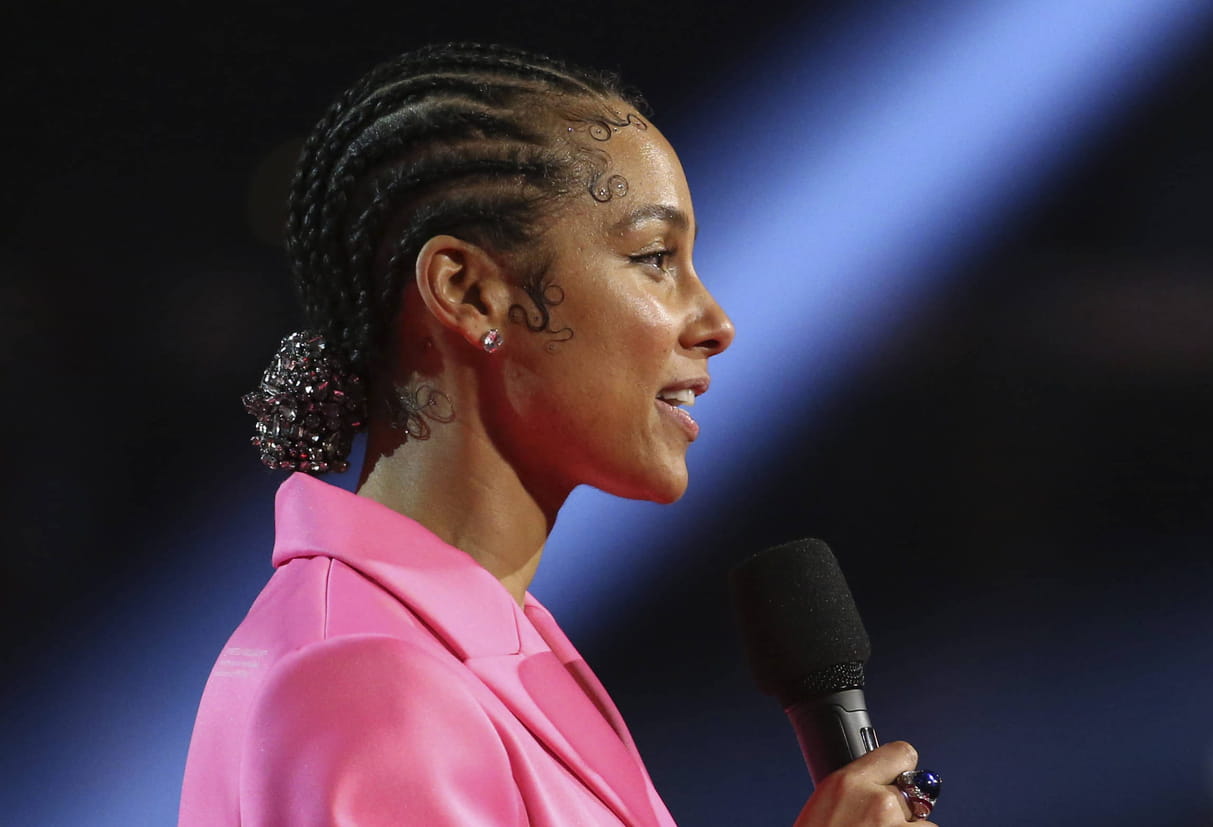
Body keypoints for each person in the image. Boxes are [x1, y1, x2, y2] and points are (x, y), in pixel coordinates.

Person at [178, 42, 938, 826]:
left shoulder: (494, 647)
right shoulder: (367, 681)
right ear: (470, 292)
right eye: (654, 257)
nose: (715, 322)